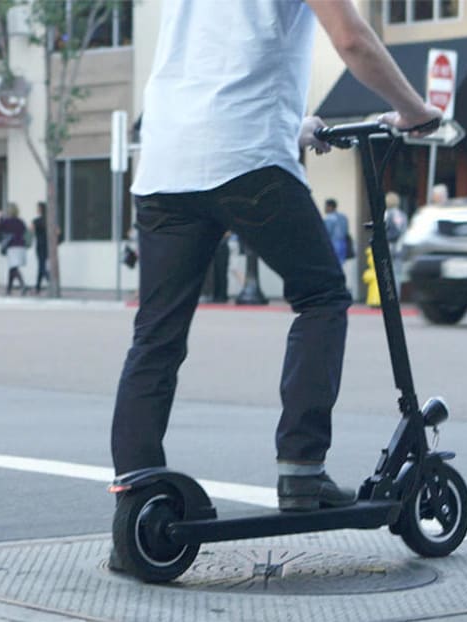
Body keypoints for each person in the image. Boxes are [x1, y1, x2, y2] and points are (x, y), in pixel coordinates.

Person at [111, 0, 441, 519]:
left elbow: (214, 61)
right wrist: (415, 112)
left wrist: (292, 124)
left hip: (165, 164)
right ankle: (301, 468)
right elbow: (353, 39)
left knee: (156, 334)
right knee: (323, 297)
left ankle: (138, 494)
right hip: (245, 161)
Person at [0, 203, 29, 296]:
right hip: (21, 246)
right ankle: (8, 289)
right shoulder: (20, 221)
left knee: (13, 267)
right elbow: (25, 232)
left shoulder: (7, 221)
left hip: (12, 246)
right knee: (12, 268)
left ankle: (22, 285)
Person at [384, 191, 408, 289]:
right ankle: (397, 297)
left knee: (386, 273)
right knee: (397, 274)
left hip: (388, 246)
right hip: (400, 247)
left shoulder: (386, 214)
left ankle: (388, 297)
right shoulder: (403, 215)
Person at [31, 202, 51, 293]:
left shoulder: (36, 221)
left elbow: (31, 231)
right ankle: (38, 287)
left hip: (40, 244)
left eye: (37, 208)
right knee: (42, 264)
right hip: (48, 245)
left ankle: (50, 280)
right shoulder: (49, 220)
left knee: (41, 266)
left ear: (40, 210)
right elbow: (58, 231)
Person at [323, 198, 349, 264]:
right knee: (341, 264)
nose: (324, 209)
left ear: (330, 207)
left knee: (332, 263)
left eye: (326, 206)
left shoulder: (329, 218)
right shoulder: (343, 217)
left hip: (333, 243)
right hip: (343, 243)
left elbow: (326, 233)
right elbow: (345, 231)